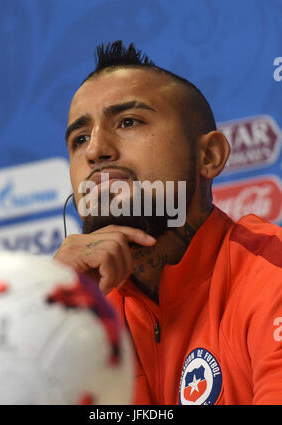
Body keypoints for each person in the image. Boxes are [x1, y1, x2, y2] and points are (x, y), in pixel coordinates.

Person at [55, 40, 282, 405]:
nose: (95, 151)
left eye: (128, 121)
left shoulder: (271, 274)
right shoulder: (75, 312)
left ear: (208, 155)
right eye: (80, 139)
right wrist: (35, 309)